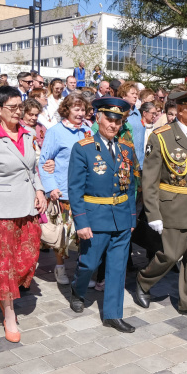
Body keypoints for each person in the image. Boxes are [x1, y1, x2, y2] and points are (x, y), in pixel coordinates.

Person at [0, 86, 46, 343]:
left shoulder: (27, 135)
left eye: (20, 107)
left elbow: (32, 169)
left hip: (27, 210)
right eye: (12, 108)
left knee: (26, 260)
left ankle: (7, 296)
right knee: (3, 265)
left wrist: (39, 190)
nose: (18, 113)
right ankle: (10, 314)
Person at [135, 85, 187, 321]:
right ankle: (143, 280)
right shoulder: (161, 137)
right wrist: (153, 213)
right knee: (169, 255)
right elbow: (149, 180)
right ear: (180, 110)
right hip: (172, 206)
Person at [68, 97, 137, 333]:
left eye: (118, 121)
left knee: (117, 269)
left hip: (121, 216)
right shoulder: (83, 148)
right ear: (98, 118)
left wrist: (131, 218)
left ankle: (112, 315)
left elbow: (132, 186)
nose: (114, 125)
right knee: (89, 263)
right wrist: (81, 221)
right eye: (109, 119)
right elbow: (75, 189)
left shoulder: (127, 149)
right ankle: (77, 290)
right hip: (95, 217)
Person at [38, 93, 92, 284]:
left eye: (83, 109)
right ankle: (60, 267)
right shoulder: (55, 132)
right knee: (62, 233)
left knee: (83, 233)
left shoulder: (88, 131)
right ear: (66, 110)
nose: (80, 113)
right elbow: (44, 162)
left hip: (86, 191)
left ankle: (82, 269)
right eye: (76, 109)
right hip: (63, 191)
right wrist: (51, 187)